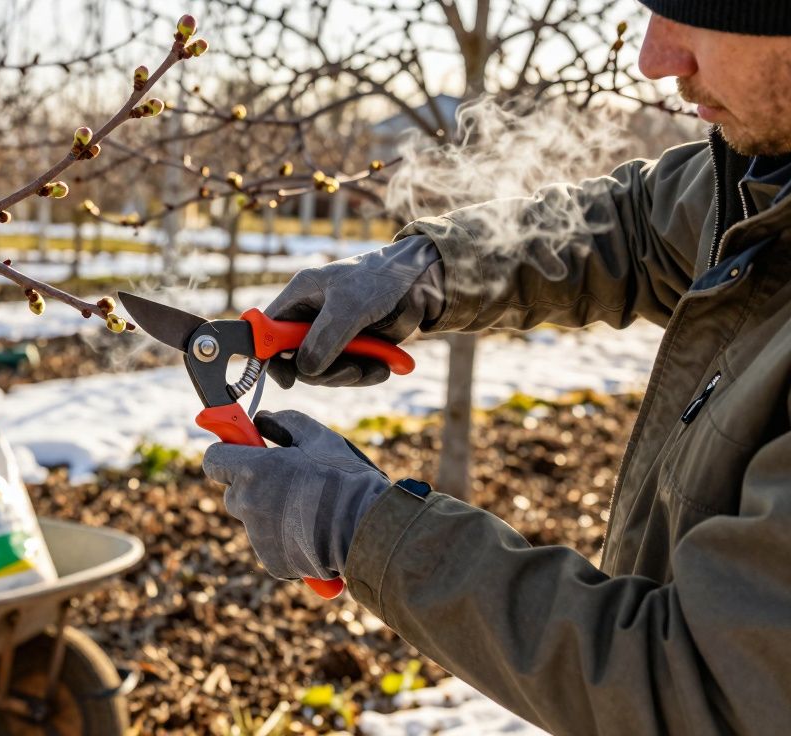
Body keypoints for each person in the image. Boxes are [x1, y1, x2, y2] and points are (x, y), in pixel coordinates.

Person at [201, 3, 791, 733]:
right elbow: (640, 226)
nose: (654, 57)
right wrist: (433, 269)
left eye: (700, 13)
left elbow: (701, 689)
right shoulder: (769, 177)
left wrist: (367, 529)